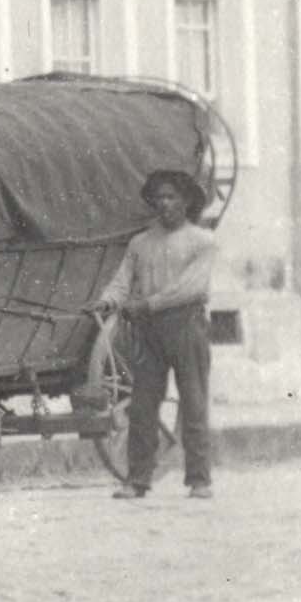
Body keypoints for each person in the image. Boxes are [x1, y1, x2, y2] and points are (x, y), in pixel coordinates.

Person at [94, 165, 219, 501]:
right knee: (142, 406)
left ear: (186, 201)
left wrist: (147, 304)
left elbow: (189, 288)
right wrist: (108, 301)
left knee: (193, 402)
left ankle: (199, 479)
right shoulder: (140, 243)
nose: (164, 204)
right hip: (148, 332)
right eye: (159, 197)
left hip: (186, 326)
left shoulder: (203, 242)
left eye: (171, 197)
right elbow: (122, 280)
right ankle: (137, 480)